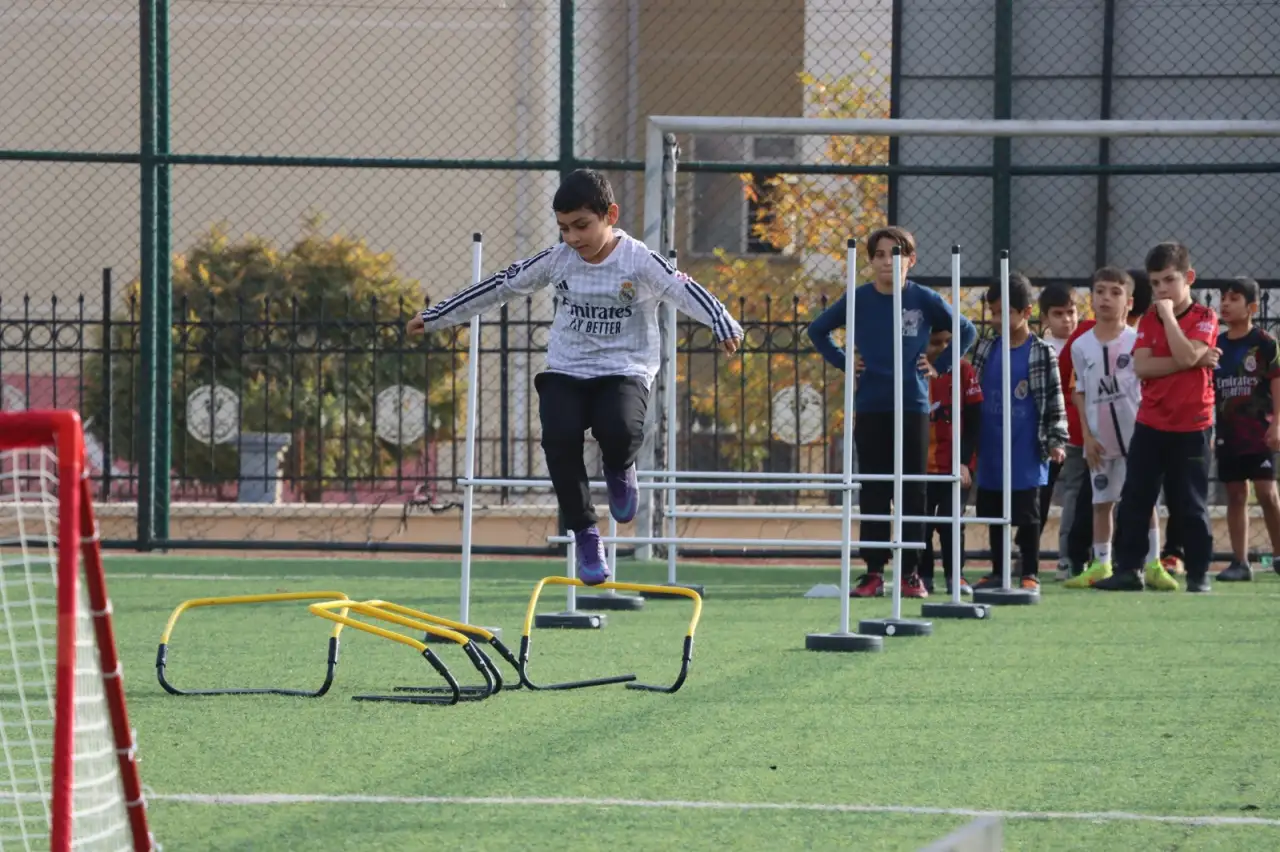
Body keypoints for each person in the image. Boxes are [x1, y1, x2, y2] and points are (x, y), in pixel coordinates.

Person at [407, 169, 743, 585]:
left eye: (582, 226)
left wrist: (720, 319)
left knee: (618, 428)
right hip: (568, 367)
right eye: (564, 228)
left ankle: (619, 467)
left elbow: (681, 287)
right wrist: (438, 315)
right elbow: (500, 286)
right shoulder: (558, 259)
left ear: (610, 216)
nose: (572, 238)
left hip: (624, 367)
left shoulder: (638, 260)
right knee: (559, 438)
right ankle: (586, 534)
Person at [807, 227, 977, 599]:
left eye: (896, 254)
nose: (888, 262)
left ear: (910, 260)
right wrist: (845, 362)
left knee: (912, 489)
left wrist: (941, 365)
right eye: (880, 255)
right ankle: (872, 572)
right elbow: (817, 330)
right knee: (874, 489)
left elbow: (966, 330)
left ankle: (910, 573)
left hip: (912, 407)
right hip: (871, 406)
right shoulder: (859, 299)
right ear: (870, 261)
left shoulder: (923, 298)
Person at [1094, 242, 1218, 592]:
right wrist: (1192, 358)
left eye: (1169, 280)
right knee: (1135, 497)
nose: (1162, 290)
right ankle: (1128, 570)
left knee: (1189, 502)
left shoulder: (1204, 317)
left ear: (1188, 277)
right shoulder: (1148, 318)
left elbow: (1186, 354)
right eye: (1155, 283)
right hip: (1151, 423)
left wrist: (1171, 322)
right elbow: (1143, 366)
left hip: (1192, 425)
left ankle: (1198, 572)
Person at [1063, 268, 1161, 588]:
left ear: (1129, 302)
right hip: (1100, 439)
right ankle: (1101, 564)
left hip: (1137, 435)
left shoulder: (1137, 341)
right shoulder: (1080, 346)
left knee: (1144, 500)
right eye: (1100, 291)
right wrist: (1087, 436)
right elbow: (1079, 391)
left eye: (1115, 292)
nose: (1106, 298)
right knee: (1101, 502)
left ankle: (1153, 563)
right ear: (1091, 298)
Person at [970, 273, 1068, 591]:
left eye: (1005, 312)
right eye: (993, 312)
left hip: (1026, 446)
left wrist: (1056, 439)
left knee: (1028, 513)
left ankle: (1029, 571)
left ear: (1026, 312)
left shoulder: (1041, 352)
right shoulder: (986, 349)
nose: (997, 319)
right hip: (991, 446)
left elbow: (1054, 398)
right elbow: (972, 392)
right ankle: (999, 571)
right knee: (993, 511)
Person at [1211, 276, 1280, 581]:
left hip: (1260, 432)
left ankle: (1278, 554)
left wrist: (1277, 424)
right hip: (1229, 433)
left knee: (1267, 493)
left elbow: (1276, 383)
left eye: (1234, 298)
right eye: (1223, 298)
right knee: (1236, 494)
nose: (1225, 304)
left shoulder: (1265, 343)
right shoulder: (1216, 345)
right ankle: (1240, 562)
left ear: (1251, 307)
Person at [918, 332, 982, 596]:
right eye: (936, 342)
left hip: (954, 465)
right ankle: (922, 576)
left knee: (951, 521)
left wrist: (965, 462)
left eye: (949, 342)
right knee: (919, 523)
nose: (944, 348)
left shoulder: (964, 370)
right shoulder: (912, 370)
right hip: (920, 466)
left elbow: (975, 421)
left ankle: (955, 575)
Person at [1037, 282, 1083, 578]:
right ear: (1045, 318)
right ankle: (1026, 554)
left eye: (1071, 312)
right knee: (1040, 496)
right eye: (1058, 313)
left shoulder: (1085, 344)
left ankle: (1073, 556)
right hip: (1047, 436)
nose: (1067, 319)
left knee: (1078, 495)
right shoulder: (1040, 350)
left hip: (1080, 433)